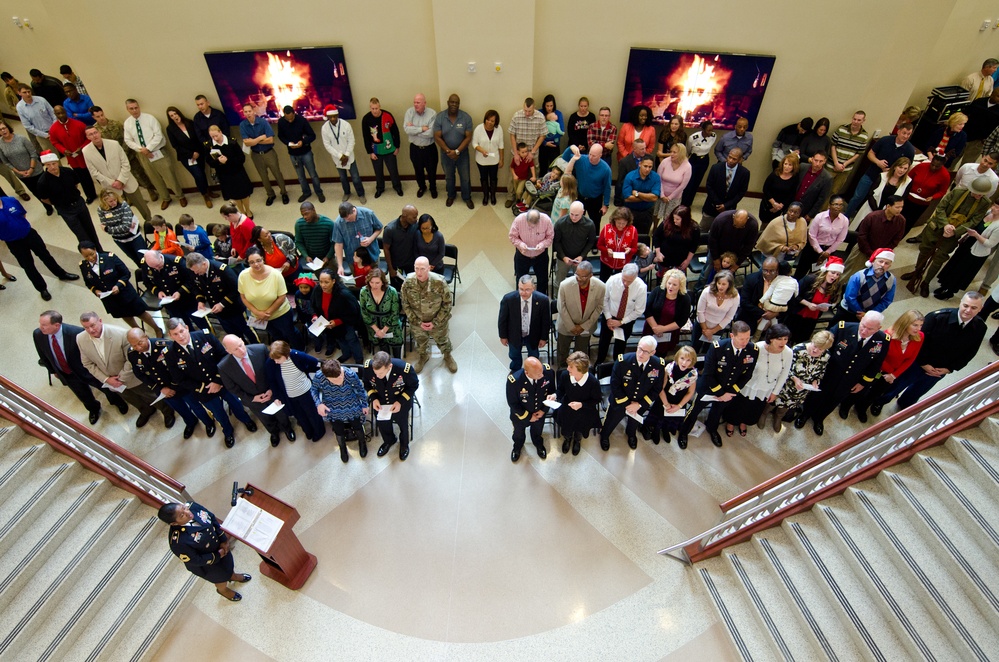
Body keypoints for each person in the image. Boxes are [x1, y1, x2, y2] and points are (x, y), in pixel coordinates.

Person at [872, 293, 987, 414]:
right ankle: (880, 402)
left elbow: (970, 352)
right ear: (960, 303)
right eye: (965, 305)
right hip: (918, 363)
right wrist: (923, 363)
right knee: (898, 384)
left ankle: (905, 405)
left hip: (940, 370)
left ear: (980, 308)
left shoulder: (980, 327)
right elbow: (916, 341)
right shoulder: (937, 318)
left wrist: (949, 369)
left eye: (974, 308)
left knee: (919, 390)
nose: (968, 310)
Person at [165, 317, 257, 448]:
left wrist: (217, 380)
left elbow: (223, 356)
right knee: (218, 413)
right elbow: (180, 379)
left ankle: (246, 420)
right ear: (170, 335)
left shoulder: (204, 336)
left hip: (222, 381)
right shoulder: (170, 354)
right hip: (203, 390)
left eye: (181, 331)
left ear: (186, 327)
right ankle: (228, 431)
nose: (180, 336)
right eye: (175, 334)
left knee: (235, 403)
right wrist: (202, 387)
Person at [795, 311, 888, 435]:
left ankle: (819, 419)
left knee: (834, 400)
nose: (864, 331)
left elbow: (876, 364)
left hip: (850, 379)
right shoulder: (843, 328)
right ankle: (804, 415)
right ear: (862, 319)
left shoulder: (882, 340)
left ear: (878, 328)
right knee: (816, 396)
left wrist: (863, 382)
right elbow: (825, 348)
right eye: (863, 325)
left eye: (870, 329)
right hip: (829, 373)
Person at [76, 312, 172, 428]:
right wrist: (107, 379)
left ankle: (167, 411)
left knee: (150, 395)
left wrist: (120, 379)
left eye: (93, 325)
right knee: (131, 398)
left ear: (100, 321)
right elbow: (87, 363)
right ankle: (146, 410)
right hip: (111, 381)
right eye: (86, 327)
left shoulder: (121, 334)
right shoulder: (80, 338)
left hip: (131, 377)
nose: (90, 330)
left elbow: (131, 360)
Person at [904, 178, 994, 297]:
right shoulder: (957, 193)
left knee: (939, 259)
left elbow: (974, 221)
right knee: (924, 250)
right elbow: (940, 208)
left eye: (981, 194)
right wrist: (945, 225)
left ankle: (926, 282)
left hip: (952, 236)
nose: (978, 196)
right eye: (976, 192)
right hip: (935, 228)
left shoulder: (984, 203)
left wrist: (955, 232)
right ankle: (917, 272)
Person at [34, 310, 126, 425]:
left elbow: (91, 353)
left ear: (56, 325)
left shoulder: (76, 333)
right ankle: (93, 409)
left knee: (104, 387)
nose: (40, 327)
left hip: (85, 370)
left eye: (44, 325)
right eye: (40, 323)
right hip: (66, 373)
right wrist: (53, 371)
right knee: (82, 395)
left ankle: (117, 401)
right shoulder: (38, 334)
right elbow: (43, 354)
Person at [677, 321, 758, 449]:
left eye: (748, 338)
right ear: (732, 336)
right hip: (709, 387)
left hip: (729, 390)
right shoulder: (718, 347)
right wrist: (721, 393)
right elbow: (708, 373)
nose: (745, 342)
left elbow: (747, 375)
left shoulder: (752, 350)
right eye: (741, 338)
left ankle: (712, 429)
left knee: (717, 412)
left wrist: (731, 392)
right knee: (694, 410)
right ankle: (684, 432)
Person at [125, 327, 214, 439]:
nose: (138, 348)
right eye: (134, 345)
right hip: (162, 390)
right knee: (180, 408)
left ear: (146, 337)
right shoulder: (132, 353)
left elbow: (180, 368)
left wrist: (173, 387)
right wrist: (159, 389)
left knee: (195, 405)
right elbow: (139, 374)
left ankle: (208, 422)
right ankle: (190, 422)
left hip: (181, 386)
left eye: (140, 343)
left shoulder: (164, 346)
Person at [158, 502, 251, 602]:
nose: (187, 512)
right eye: (182, 515)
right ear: (174, 523)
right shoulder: (178, 542)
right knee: (221, 578)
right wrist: (218, 555)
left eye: (184, 508)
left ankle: (233, 576)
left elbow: (211, 518)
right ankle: (223, 591)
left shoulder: (192, 506)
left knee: (229, 566)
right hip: (208, 565)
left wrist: (223, 539)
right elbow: (195, 560)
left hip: (219, 547)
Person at [219, 335, 295, 447]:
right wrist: (252, 398)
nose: (241, 350)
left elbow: (274, 370)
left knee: (281, 413)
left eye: (240, 345)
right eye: (235, 349)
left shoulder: (260, 349)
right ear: (228, 351)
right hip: (253, 399)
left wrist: (271, 389)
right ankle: (274, 433)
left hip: (271, 392)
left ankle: (287, 428)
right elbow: (232, 388)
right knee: (264, 417)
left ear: (242, 340)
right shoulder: (224, 367)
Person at [0, 195, 79, 300]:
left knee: (45, 255)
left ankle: (61, 274)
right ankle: (42, 288)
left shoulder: (10, 200)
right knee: (28, 266)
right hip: (14, 243)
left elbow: (23, 214)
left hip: (29, 234)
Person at [851, 311, 924, 422]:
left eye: (920, 325)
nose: (918, 329)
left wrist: (894, 375)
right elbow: (878, 357)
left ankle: (862, 408)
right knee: (864, 388)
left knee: (876, 393)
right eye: (915, 325)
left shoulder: (919, 337)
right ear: (905, 323)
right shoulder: (887, 336)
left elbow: (911, 359)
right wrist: (888, 372)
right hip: (878, 370)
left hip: (892, 374)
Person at [723, 324, 792, 436]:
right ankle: (731, 422)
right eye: (779, 339)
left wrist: (775, 392)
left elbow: (784, 373)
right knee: (738, 405)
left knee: (753, 408)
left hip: (765, 387)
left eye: (785, 339)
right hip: (748, 384)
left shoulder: (788, 352)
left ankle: (744, 422)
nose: (783, 342)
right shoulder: (757, 347)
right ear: (771, 338)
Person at [598, 336, 664, 451]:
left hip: (640, 403)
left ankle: (631, 434)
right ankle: (605, 436)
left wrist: (639, 405)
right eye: (639, 348)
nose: (640, 353)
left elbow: (656, 388)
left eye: (645, 351)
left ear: (653, 352)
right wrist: (628, 404)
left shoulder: (658, 365)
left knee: (634, 422)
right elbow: (615, 385)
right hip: (620, 401)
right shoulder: (623, 361)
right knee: (610, 422)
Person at [78, 241, 160, 333]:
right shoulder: (83, 266)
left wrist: (118, 285)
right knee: (125, 316)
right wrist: (95, 291)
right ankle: (139, 332)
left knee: (140, 313)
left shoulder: (109, 258)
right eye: (86, 256)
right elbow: (88, 283)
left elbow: (126, 273)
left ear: (95, 249)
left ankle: (157, 329)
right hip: (110, 299)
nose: (90, 258)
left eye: (91, 254)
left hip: (125, 293)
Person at [122, 99, 187, 210]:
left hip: (157, 152)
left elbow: (158, 135)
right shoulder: (127, 123)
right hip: (143, 155)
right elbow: (128, 140)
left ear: (139, 107)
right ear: (127, 109)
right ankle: (166, 198)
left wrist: (148, 148)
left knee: (169, 176)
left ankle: (180, 196)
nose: (134, 110)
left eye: (136, 107)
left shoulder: (150, 118)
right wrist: (141, 150)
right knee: (154, 178)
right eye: (131, 108)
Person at [82, 126, 152, 222]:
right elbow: (93, 172)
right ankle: (132, 226)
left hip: (126, 180)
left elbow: (125, 163)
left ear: (99, 132)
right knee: (122, 210)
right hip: (110, 186)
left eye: (95, 132)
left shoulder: (114, 144)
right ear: (87, 137)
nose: (94, 136)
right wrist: (112, 182)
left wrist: (120, 180)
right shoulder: (86, 151)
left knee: (142, 206)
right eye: (90, 134)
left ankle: (149, 222)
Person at [844, 124, 915, 218]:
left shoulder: (910, 150)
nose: (905, 136)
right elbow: (870, 153)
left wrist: (893, 171)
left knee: (875, 203)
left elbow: (907, 166)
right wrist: (878, 162)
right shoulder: (885, 140)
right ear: (898, 131)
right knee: (857, 197)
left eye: (908, 134)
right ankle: (845, 217)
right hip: (871, 175)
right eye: (904, 133)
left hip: (886, 181)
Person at [37, 151, 103, 249]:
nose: (52, 167)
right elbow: (45, 199)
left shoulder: (68, 171)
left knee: (90, 230)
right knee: (81, 235)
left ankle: (100, 251)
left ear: (58, 162)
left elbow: (75, 184)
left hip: (79, 204)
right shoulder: (42, 182)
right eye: (48, 165)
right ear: (45, 165)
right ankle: (91, 254)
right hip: (66, 210)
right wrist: (58, 204)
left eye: (54, 163)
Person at [401, 257, 456, 373]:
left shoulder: (439, 282)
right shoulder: (408, 282)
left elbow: (447, 304)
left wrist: (435, 322)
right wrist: (417, 322)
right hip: (417, 322)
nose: (419, 272)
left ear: (429, 268)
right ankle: (423, 356)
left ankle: (447, 356)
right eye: (416, 268)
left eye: (422, 269)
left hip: (438, 322)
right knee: (420, 342)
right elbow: (405, 303)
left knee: (443, 341)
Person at [238, 247, 301, 349]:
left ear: (263, 259)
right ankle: (283, 352)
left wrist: (268, 312)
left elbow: (281, 297)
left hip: (280, 313)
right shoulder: (243, 276)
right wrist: (258, 313)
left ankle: (299, 350)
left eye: (258, 260)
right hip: (260, 316)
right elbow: (243, 297)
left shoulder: (275, 275)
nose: (256, 264)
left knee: (290, 333)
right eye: (252, 262)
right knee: (276, 336)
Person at [91, 105, 158, 201]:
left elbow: (126, 139)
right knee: (121, 178)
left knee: (139, 173)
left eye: (102, 115)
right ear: (93, 117)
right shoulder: (95, 130)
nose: (101, 118)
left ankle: (150, 190)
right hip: (112, 160)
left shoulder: (116, 124)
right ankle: (127, 197)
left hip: (127, 154)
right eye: (98, 116)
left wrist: (123, 153)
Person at [361, 351, 419, 460]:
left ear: (390, 366)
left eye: (381, 373)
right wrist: (374, 398)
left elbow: (413, 385)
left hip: (400, 401)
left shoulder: (404, 369)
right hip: (380, 400)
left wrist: (400, 402)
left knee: (402, 423)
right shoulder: (368, 367)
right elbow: (367, 384)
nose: (378, 376)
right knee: (382, 423)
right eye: (376, 373)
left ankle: (404, 445)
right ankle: (389, 440)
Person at [771, 330, 834, 430]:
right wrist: (794, 378)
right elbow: (784, 367)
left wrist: (816, 381)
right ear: (812, 340)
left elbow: (821, 372)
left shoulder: (826, 356)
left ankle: (778, 417)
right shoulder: (798, 350)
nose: (815, 351)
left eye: (820, 349)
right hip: (785, 385)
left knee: (787, 406)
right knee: (773, 401)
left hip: (801, 390)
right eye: (815, 346)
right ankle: (764, 413)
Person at [935, 203, 999, 299]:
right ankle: (944, 285)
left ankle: (950, 291)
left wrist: (976, 235)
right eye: (994, 205)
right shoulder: (988, 212)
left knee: (961, 270)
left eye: (997, 208)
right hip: (969, 243)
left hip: (978, 251)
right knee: (955, 264)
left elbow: (990, 244)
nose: (994, 208)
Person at [264, 341, 325, 442]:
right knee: (299, 416)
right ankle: (308, 432)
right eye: (273, 359)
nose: (275, 361)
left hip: (305, 391)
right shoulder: (271, 363)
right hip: (289, 396)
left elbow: (314, 362)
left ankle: (319, 432)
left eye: (278, 359)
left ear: (286, 354)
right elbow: (272, 381)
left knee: (312, 413)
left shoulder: (297, 356)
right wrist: (277, 397)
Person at [185, 252, 252, 340]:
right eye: (194, 271)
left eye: (197, 271)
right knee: (234, 336)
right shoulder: (195, 271)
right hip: (218, 312)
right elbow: (197, 288)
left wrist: (222, 304)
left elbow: (236, 289)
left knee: (248, 332)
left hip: (234, 309)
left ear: (204, 264)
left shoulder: (221, 269)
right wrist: (200, 301)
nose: (196, 273)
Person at [312, 359, 369, 462]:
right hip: (332, 407)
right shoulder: (319, 376)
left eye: (340, 375)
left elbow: (360, 389)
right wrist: (318, 404)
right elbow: (313, 390)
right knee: (338, 430)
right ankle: (342, 448)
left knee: (357, 425)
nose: (340, 378)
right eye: (336, 379)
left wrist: (365, 405)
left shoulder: (350, 374)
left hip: (351, 404)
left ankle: (362, 443)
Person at [643, 345, 698, 445]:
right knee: (659, 416)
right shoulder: (669, 368)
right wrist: (666, 404)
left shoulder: (693, 374)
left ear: (692, 361)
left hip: (679, 401)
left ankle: (665, 430)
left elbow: (690, 392)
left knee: (670, 419)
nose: (684, 363)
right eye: (682, 358)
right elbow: (660, 388)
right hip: (664, 399)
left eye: (688, 360)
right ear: (677, 357)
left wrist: (679, 406)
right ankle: (656, 431)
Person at [505, 356, 556, 462]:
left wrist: (543, 410)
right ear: (527, 373)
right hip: (521, 415)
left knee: (537, 431)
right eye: (538, 374)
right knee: (518, 433)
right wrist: (528, 417)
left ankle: (538, 444)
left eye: (542, 371)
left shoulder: (547, 372)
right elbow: (513, 403)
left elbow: (551, 392)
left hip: (539, 412)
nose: (542, 375)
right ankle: (517, 447)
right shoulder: (514, 381)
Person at [555, 261, 604, 368]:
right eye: (577, 274)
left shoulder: (601, 287)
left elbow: (599, 308)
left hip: (586, 327)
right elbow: (561, 307)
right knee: (562, 352)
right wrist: (571, 326)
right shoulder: (565, 285)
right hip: (566, 325)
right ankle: (562, 373)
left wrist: (583, 326)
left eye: (583, 276)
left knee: (580, 354)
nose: (579, 278)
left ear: (591, 275)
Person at [595, 263, 647, 364]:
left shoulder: (641, 287)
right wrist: (609, 318)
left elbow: (639, 310)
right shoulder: (612, 280)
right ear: (622, 272)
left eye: (629, 281)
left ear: (636, 276)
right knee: (603, 342)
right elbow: (604, 300)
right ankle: (599, 363)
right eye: (624, 279)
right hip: (609, 316)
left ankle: (617, 365)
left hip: (627, 320)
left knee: (621, 345)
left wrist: (621, 322)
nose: (626, 283)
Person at [785, 257, 845, 342]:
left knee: (803, 339)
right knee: (788, 336)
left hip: (813, 317)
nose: (835, 276)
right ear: (826, 271)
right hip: (797, 314)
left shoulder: (835, 286)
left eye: (838, 274)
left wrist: (827, 307)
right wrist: (808, 304)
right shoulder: (810, 279)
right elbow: (794, 295)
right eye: (833, 273)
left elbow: (832, 301)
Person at [499, 275, 551, 371]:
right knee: (514, 355)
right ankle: (515, 372)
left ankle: (532, 372)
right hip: (514, 335)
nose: (523, 293)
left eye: (527, 289)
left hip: (533, 335)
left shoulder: (542, 300)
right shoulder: (508, 299)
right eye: (521, 289)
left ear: (533, 288)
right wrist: (503, 336)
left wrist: (544, 338)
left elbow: (546, 321)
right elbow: (502, 320)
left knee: (534, 356)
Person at [843, 196, 907, 276]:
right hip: (862, 251)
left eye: (901, 207)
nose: (900, 210)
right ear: (888, 206)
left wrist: (881, 253)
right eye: (897, 207)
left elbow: (896, 239)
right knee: (848, 274)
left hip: (880, 255)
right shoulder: (872, 217)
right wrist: (870, 252)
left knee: (867, 277)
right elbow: (862, 236)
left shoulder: (901, 221)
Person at [310, 269, 364, 362]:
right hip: (329, 323)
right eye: (321, 282)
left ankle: (359, 359)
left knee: (351, 340)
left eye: (326, 282)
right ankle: (346, 354)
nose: (323, 285)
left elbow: (353, 312)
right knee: (340, 340)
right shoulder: (317, 290)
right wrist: (314, 316)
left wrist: (338, 321)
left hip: (345, 323)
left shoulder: (344, 294)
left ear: (334, 281)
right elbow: (313, 305)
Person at [239, 103, 288, 206]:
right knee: (263, 176)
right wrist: (260, 138)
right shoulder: (243, 125)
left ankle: (284, 193)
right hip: (256, 154)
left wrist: (253, 141)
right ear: (243, 113)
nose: (248, 114)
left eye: (249, 111)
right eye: (245, 112)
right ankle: (270, 195)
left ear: (254, 111)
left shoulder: (263, 122)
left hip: (268, 152)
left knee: (277, 173)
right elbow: (246, 143)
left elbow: (270, 140)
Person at [165, 106, 214, 207]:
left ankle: (208, 191)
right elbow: (175, 146)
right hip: (186, 157)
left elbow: (197, 138)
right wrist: (191, 154)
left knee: (203, 173)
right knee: (198, 175)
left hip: (199, 153)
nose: (174, 117)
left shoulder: (189, 122)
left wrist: (197, 152)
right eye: (171, 116)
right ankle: (205, 195)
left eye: (175, 114)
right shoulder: (170, 129)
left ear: (179, 113)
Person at [47, 105, 97, 203]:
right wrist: (63, 150)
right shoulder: (53, 129)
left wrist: (82, 147)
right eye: (58, 113)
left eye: (62, 112)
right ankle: (90, 195)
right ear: (55, 115)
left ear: (66, 112)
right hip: (73, 159)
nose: (61, 115)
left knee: (96, 173)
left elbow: (88, 137)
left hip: (85, 155)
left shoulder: (79, 124)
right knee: (82, 177)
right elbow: (54, 142)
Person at [554, 351, 601, 455]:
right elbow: (561, 390)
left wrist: (581, 405)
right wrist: (555, 395)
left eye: (571, 367)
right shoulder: (565, 375)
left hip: (584, 410)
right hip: (568, 406)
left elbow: (596, 400)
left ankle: (577, 440)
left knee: (580, 427)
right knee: (567, 426)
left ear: (580, 370)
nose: (567, 369)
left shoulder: (593, 382)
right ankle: (567, 438)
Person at [834, 247, 897, 324]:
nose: (882, 265)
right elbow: (850, 297)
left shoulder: (892, 280)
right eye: (880, 261)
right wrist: (861, 313)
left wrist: (869, 314)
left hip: (869, 315)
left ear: (890, 266)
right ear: (873, 261)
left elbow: (887, 300)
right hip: (848, 311)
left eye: (886, 263)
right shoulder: (859, 276)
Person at [793, 195, 849, 280]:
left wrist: (828, 252)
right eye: (836, 204)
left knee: (816, 276)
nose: (838, 207)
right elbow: (812, 235)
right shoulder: (820, 217)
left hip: (828, 251)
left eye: (841, 205)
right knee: (801, 273)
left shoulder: (844, 220)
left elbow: (840, 239)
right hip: (812, 249)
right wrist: (820, 251)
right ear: (829, 205)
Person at [433, 94, 474, 209]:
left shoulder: (466, 118)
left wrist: (457, 151)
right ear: (448, 102)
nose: (454, 105)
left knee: (465, 177)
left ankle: (467, 197)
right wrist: (448, 151)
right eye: (452, 102)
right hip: (446, 154)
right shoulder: (440, 117)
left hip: (462, 154)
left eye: (457, 103)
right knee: (449, 177)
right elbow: (437, 136)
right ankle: (451, 195)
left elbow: (468, 137)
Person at [277, 105, 324, 203]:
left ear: (294, 114)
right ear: (284, 115)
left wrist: (303, 141)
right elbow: (280, 136)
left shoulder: (302, 120)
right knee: (301, 177)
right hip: (293, 154)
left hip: (306, 152)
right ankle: (306, 192)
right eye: (287, 118)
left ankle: (319, 192)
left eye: (291, 118)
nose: (290, 120)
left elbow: (312, 135)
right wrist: (288, 143)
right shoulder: (281, 122)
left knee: (313, 174)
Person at [141, 249, 199, 327]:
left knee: (200, 321)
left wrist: (180, 292)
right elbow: (147, 282)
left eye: (158, 265)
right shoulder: (145, 265)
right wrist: (157, 292)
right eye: (153, 267)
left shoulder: (176, 262)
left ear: (161, 257)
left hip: (187, 298)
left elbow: (191, 280)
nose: (157, 269)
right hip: (169, 302)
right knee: (181, 325)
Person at [321, 105, 366, 204]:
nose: (333, 119)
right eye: (330, 117)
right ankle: (347, 192)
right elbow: (327, 145)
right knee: (342, 177)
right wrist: (340, 156)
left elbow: (351, 141)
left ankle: (361, 194)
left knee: (355, 177)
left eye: (335, 116)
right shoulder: (324, 128)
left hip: (349, 156)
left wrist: (346, 154)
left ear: (338, 115)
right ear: (327, 117)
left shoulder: (346, 125)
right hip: (337, 158)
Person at [208, 126, 254, 219]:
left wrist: (227, 161)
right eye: (212, 137)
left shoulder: (232, 142)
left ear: (220, 132)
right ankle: (242, 212)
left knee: (244, 193)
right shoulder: (209, 145)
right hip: (224, 174)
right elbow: (209, 162)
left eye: (216, 136)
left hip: (237, 171)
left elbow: (241, 158)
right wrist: (218, 162)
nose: (215, 139)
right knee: (235, 195)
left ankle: (248, 210)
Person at [562, 144, 612, 227]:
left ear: (600, 155)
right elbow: (565, 157)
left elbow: (607, 188)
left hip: (595, 199)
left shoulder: (606, 169)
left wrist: (605, 205)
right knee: (576, 222)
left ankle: (594, 240)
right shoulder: (581, 159)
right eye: (590, 154)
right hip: (580, 196)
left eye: (594, 156)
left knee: (595, 223)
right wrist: (571, 147)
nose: (591, 158)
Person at [645, 268, 691, 358]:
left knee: (661, 355)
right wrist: (655, 327)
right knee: (647, 351)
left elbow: (682, 320)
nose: (670, 287)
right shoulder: (658, 291)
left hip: (669, 332)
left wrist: (663, 329)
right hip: (651, 327)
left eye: (674, 285)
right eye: (669, 283)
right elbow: (647, 309)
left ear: (680, 286)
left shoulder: (685, 299)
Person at [900, 155, 951, 236]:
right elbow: (908, 178)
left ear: (942, 165)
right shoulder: (921, 166)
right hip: (907, 198)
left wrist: (933, 197)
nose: (934, 167)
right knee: (898, 217)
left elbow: (942, 192)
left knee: (909, 222)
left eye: (937, 166)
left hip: (921, 204)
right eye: (932, 164)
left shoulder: (945, 175)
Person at [361, 98, 402, 198]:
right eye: (372, 108)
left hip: (389, 149)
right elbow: (366, 137)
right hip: (376, 150)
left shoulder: (387, 115)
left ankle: (397, 186)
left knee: (393, 170)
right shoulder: (366, 119)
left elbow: (395, 132)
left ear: (380, 106)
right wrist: (370, 152)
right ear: (370, 108)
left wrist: (397, 146)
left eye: (376, 108)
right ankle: (380, 188)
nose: (375, 110)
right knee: (378, 172)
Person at [851, 157, 911, 225]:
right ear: (895, 166)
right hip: (872, 207)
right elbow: (871, 193)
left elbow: (902, 199)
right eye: (900, 167)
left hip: (888, 213)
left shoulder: (907, 182)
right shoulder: (883, 176)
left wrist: (884, 213)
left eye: (905, 168)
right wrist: (876, 211)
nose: (902, 170)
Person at [701, 148, 750, 231]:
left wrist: (726, 205)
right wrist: (718, 203)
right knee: (703, 229)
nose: (730, 160)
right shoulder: (716, 168)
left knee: (722, 231)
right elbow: (709, 186)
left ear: (740, 160)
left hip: (729, 208)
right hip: (712, 205)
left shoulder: (744, 173)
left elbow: (741, 192)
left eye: (734, 159)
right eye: (729, 157)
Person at [551, 200, 596, 290]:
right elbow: (556, 242)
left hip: (579, 259)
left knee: (581, 282)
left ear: (583, 212)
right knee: (558, 282)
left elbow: (591, 241)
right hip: (563, 259)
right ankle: (557, 300)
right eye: (571, 214)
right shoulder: (560, 223)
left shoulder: (589, 224)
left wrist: (582, 256)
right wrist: (563, 257)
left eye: (576, 215)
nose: (573, 217)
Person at [359, 268, 403, 358]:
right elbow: (364, 312)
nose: (374, 285)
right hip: (374, 327)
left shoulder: (391, 291)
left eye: (377, 283)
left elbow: (395, 313)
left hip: (391, 326)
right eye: (371, 282)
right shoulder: (364, 291)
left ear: (383, 282)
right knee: (383, 353)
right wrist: (377, 330)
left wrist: (384, 330)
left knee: (396, 351)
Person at [705, 209, 759, 281]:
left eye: (741, 227)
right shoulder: (720, 220)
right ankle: (699, 289)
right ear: (733, 217)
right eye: (735, 225)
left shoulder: (753, 225)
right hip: (717, 249)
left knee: (728, 276)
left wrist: (737, 263)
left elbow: (748, 246)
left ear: (747, 220)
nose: (737, 228)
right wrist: (715, 259)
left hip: (735, 254)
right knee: (706, 273)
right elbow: (712, 240)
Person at [0, 120, 43, 210]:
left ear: (8, 128)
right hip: (22, 174)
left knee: (45, 188)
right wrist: (18, 172)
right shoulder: (0, 144)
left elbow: (33, 153)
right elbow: (6, 161)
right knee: (35, 191)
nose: (3, 131)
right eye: (0, 130)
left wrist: (31, 168)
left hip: (36, 170)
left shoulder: (21, 138)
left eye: (4, 128)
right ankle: (47, 207)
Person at [93, 188, 142, 266]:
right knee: (135, 259)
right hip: (119, 240)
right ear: (104, 201)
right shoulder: (101, 210)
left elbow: (125, 226)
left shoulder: (123, 205)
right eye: (111, 201)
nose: (114, 202)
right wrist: (119, 224)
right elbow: (105, 224)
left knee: (143, 258)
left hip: (134, 236)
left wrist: (109, 228)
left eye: (115, 200)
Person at [510, 208, 554, 294]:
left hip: (540, 255)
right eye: (530, 225)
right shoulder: (519, 220)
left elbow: (550, 237)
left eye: (535, 225)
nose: (532, 227)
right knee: (521, 278)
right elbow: (512, 236)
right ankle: (521, 295)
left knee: (542, 279)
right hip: (523, 255)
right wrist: (520, 244)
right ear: (526, 219)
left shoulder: (546, 220)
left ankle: (541, 297)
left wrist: (542, 244)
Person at [333, 202, 383, 276]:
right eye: (345, 219)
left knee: (375, 279)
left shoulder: (368, 214)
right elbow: (338, 244)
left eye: (349, 218)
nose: (347, 220)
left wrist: (370, 239)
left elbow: (379, 228)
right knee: (359, 281)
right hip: (354, 259)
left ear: (354, 210)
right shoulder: (338, 223)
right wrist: (340, 266)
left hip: (371, 254)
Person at [404, 93, 438, 199]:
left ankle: (433, 188)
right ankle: (422, 187)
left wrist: (414, 128)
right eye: (414, 102)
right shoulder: (409, 112)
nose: (415, 104)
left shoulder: (432, 113)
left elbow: (431, 133)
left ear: (424, 103)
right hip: (415, 149)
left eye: (418, 102)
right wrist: (421, 128)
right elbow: (406, 129)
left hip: (429, 148)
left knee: (431, 171)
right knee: (418, 170)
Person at [827, 111, 870, 196]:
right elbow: (833, 145)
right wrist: (836, 163)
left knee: (834, 191)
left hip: (845, 169)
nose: (855, 122)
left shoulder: (864, 136)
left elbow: (859, 153)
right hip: (832, 165)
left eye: (859, 120)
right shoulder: (841, 129)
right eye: (854, 119)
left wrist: (844, 164)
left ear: (863, 121)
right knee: (824, 188)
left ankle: (824, 209)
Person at [696, 270, 740, 349]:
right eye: (719, 283)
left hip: (718, 328)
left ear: (729, 285)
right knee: (695, 347)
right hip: (701, 325)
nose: (720, 286)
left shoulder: (735, 297)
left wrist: (712, 331)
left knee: (710, 350)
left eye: (723, 284)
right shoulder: (707, 292)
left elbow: (729, 317)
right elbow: (700, 312)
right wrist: (705, 330)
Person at [651, 205, 700, 275]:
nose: (674, 221)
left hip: (681, 259)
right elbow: (656, 236)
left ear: (685, 220)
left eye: (677, 219)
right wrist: (658, 252)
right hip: (664, 257)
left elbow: (694, 246)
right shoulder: (667, 223)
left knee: (678, 280)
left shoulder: (694, 228)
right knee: (663, 276)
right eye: (674, 218)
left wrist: (687, 261)